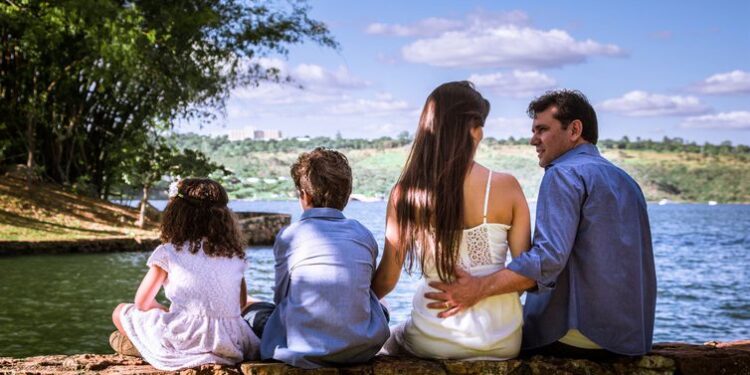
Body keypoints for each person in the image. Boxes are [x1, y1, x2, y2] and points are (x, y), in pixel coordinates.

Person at [426, 89, 657, 358]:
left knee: (488, 342)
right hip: (628, 339)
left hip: (577, 335)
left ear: (574, 130)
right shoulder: (627, 182)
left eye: (542, 129)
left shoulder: (562, 173)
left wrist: (478, 288)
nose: (533, 139)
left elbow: (547, 259)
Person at [372, 81, 531, 360]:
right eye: (481, 124)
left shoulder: (407, 193)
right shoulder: (507, 187)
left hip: (434, 336)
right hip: (502, 339)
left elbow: (386, 279)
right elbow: (528, 273)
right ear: (473, 129)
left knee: (387, 344)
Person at [242, 147, 390, 369]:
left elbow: (281, 298)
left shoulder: (290, 235)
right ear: (347, 196)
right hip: (360, 347)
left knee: (254, 312)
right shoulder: (363, 234)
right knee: (382, 308)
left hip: (301, 349)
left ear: (305, 195)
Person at [110, 178, 259, 371]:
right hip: (230, 341)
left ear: (176, 214)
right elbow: (239, 304)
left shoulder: (168, 252)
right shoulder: (235, 255)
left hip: (186, 337)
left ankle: (151, 348)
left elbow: (142, 303)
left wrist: (163, 310)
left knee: (120, 311)